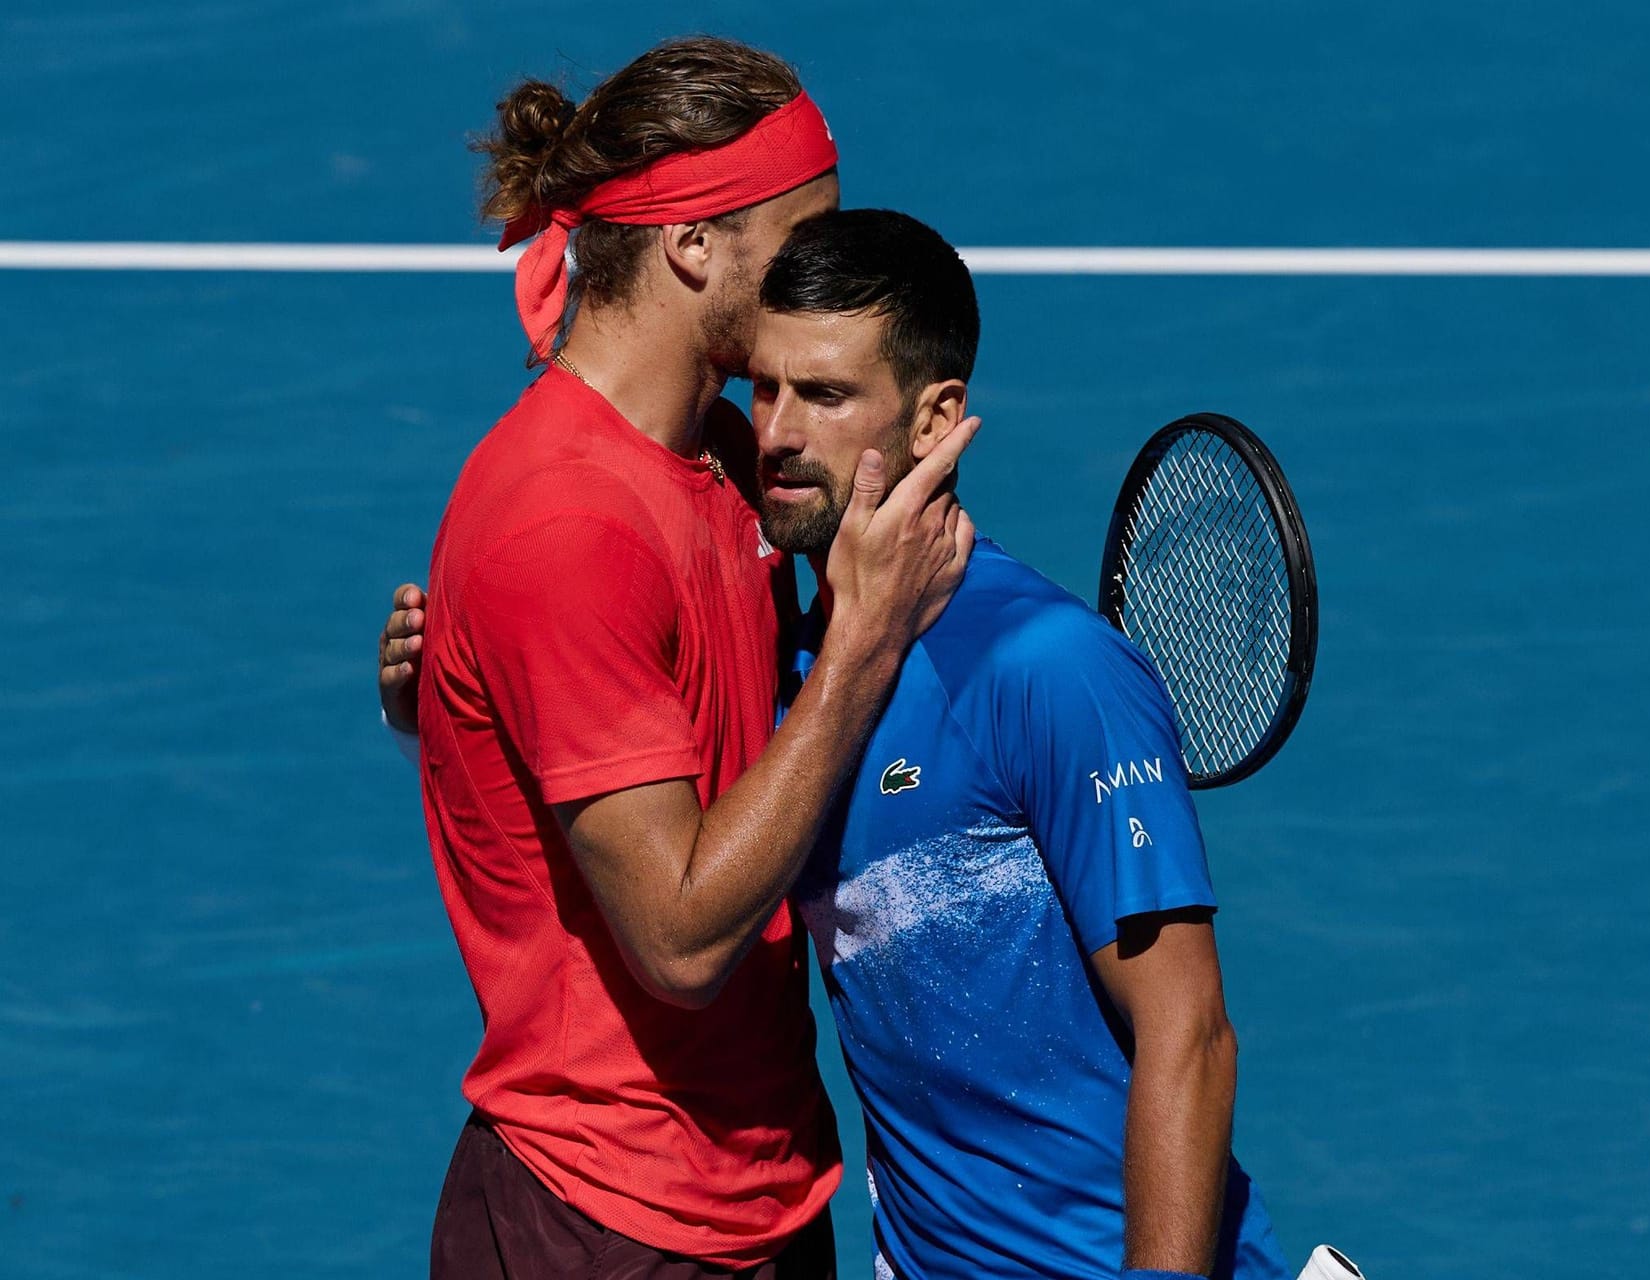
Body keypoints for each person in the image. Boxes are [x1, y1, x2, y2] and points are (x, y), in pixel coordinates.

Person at [385, 210, 1287, 1280]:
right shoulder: (800, 679)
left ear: (934, 414)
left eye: (826, 395)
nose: (774, 432)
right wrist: (441, 694)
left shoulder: (1047, 668)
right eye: (763, 388)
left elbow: (1190, 1037)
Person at [395, 38, 977, 1280]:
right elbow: (680, 939)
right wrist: (864, 640)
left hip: (753, 1185)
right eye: (801, 237)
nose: (822, 270)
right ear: (693, 246)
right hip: (606, 1220)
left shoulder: (719, 452)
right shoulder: (569, 526)